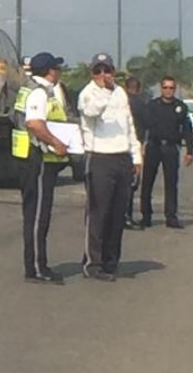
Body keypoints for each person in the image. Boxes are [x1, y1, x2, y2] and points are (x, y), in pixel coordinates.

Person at [78, 53, 142, 282]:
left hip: (121, 156)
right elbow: (92, 112)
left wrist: (136, 155)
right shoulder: (88, 94)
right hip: (99, 157)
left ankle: (111, 261)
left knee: (118, 213)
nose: (103, 75)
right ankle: (92, 263)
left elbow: (129, 125)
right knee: (98, 213)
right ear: (92, 73)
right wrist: (104, 90)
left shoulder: (121, 92)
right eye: (98, 71)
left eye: (108, 71)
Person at [11, 52, 71, 284]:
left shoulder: (29, 89)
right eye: (57, 68)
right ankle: (36, 267)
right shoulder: (38, 92)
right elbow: (34, 124)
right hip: (35, 159)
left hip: (28, 156)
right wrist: (56, 143)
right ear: (50, 71)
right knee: (37, 216)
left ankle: (38, 264)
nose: (59, 72)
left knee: (35, 214)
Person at [141, 76, 193, 229]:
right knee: (147, 182)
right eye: (165, 87)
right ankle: (146, 216)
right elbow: (143, 126)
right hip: (154, 146)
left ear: (175, 89)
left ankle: (171, 217)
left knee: (171, 184)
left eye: (171, 88)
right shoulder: (152, 106)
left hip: (171, 148)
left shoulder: (180, 107)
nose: (168, 91)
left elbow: (187, 130)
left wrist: (189, 151)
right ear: (161, 88)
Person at [124, 76, 149, 230]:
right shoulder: (141, 104)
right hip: (135, 146)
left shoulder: (120, 102)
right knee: (131, 184)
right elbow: (148, 125)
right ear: (138, 89)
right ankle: (126, 216)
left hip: (117, 147)